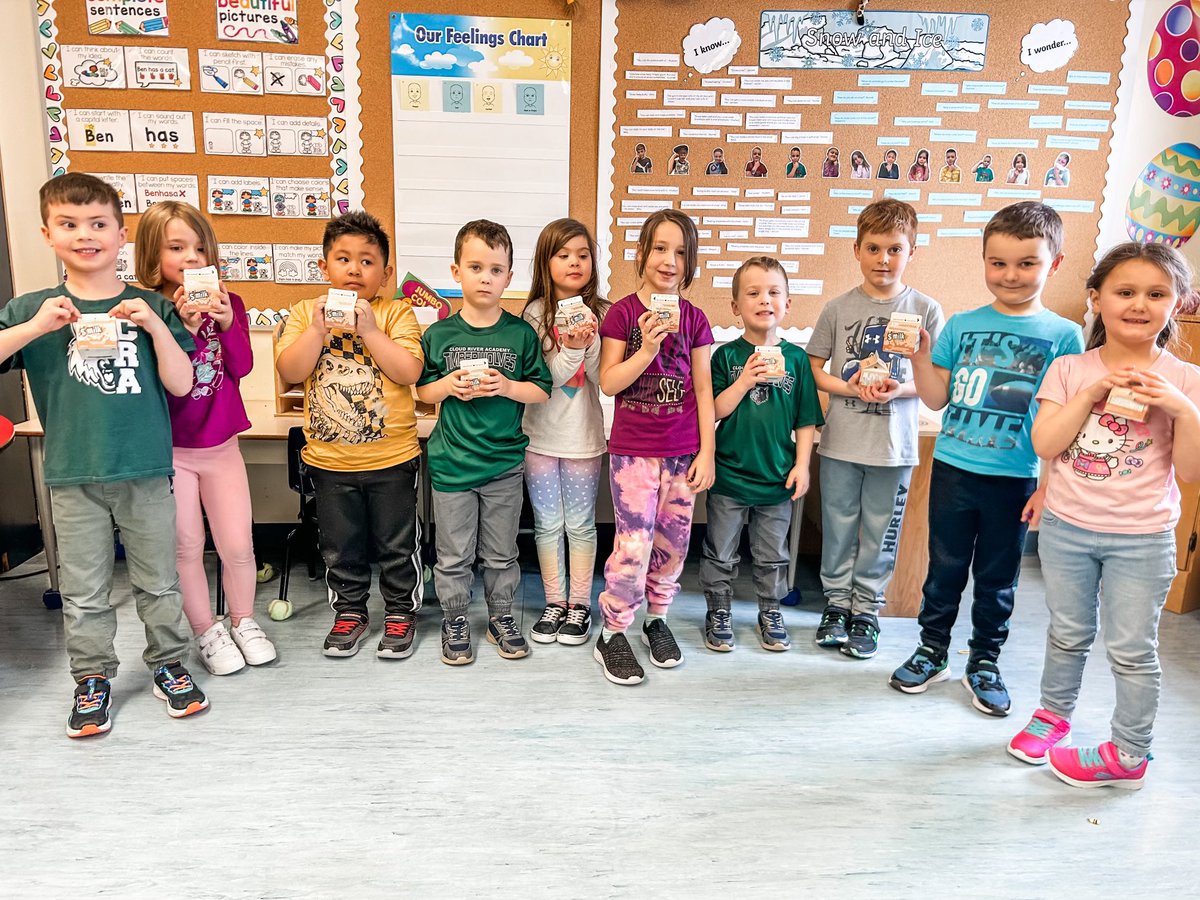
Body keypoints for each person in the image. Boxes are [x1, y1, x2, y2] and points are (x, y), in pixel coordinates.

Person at [0, 173, 205, 737]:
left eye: (98, 224)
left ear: (120, 235)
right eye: (69, 224)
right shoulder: (31, 307)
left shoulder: (149, 306)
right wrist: (37, 327)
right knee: (85, 588)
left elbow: (183, 383)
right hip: (72, 473)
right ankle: (92, 677)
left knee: (158, 580)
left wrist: (153, 329)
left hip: (144, 469)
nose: (85, 235)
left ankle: (169, 664)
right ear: (48, 233)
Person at [1008, 242, 1200, 789]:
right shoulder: (1070, 369)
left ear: (1177, 303)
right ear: (1097, 299)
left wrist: (1182, 408)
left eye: (1156, 293)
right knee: (1067, 633)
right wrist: (1092, 391)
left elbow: (1189, 470)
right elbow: (1046, 443)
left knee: (1133, 649)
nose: (1139, 304)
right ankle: (1052, 717)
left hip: (1143, 537)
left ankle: (1130, 753)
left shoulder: (1186, 379)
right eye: (1125, 291)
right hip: (1068, 529)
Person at [889, 202, 1083, 716]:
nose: (1011, 275)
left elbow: (1068, 422)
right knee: (944, 568)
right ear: (983, 261)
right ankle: (932, 650)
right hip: (955, 469)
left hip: (1015, 479)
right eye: (998, 262)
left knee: (998, 578)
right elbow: (935, 397)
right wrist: (919, 357)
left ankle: (984, 661)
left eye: (1026, 263)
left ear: (1054, 263)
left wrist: (1048, 485)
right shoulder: (962, 324)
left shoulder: (1065, 336)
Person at [134, 201, 276, 676]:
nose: (192, 258)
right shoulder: (147, 311)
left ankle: (243, 620)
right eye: (177, 248)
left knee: (237, 542)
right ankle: (206, 630)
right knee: (187, 545)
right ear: (153, 257)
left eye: (200, 248)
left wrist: (229, 321)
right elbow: (151, 382)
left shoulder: (228, 303)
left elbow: (242, 366)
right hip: (169, 451)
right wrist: (182, 327)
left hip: (221, 447)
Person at [275, 211, 425, 661]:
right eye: (343, 259)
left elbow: (409, 370)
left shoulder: (395, 312)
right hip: (329, 461)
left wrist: (370, 331)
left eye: (367, 261)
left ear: (386, 273)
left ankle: (400, 610)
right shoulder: (305, 314)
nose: (354, 269)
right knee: (339, 547)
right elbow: (290, 370)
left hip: (392, 458)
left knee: (398, 545)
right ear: (324, 268)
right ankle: (351, 611)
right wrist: (320, 330)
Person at [806, 199, 945, 658]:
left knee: (882, 529)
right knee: (839, 525)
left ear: (912, 252)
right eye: (874, 248)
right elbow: (814, 370)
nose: (883, 260)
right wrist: (847, 388)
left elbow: (933, 384)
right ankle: (836, 605)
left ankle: (866, 611)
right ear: (857, 251)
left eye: (894, 249)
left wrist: (896, 389)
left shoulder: (926, 309)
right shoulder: (838, 308)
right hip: (842, 441)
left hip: (894, 447)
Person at [416, 220, 552, 665]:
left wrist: (508, 387)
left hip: (503, 465)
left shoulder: (520, 335)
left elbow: (542, 389)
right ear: (456, 272)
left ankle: (500, 616)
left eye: (496, 269)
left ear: (509, 278)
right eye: (476, 267)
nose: (485, 277)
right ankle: (455, 618)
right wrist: (449, 385)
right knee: (453, 554)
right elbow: (422, 392)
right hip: (452, 464)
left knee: (501, 552)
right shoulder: (439, 335)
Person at [595, 208, 715, 684]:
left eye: (681, 252)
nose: (670, 261)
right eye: (660, 249)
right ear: (642, 253)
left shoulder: (695, 318)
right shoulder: (623, 314)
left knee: (673, 543)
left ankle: (656, 619)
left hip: (683, 454)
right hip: (633, 454)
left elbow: (703, 389)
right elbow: (608, 382)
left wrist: (706, 451)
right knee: (634, 544)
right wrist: (645, 348)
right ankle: (613, 631)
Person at [699, 257, 823, 652]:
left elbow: (806, 420)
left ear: (788, 304)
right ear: (736, 306)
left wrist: (802, 465)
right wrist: (745, 378)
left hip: (777, 477)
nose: (763, 300)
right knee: (721, 550)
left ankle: (770, 608)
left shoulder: (798, 360)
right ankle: (718, 608)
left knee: (773, 553)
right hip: (730, 475)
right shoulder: (725, 357)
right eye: (752, 293)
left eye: (773, 293)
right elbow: (714, 410)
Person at [521, 219, 609, 646]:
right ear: (546, 261)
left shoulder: (605, 312)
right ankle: (554, 603)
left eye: (583, 254)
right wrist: (571, 345)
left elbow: (600, 377)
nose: (575, 262)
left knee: (581, 525)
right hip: (538, 438)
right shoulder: (535, 314)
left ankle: (580, 606)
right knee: (546, 525)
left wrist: (589, 341)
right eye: (563, 255)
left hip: (584, 439)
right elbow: (546, 381)